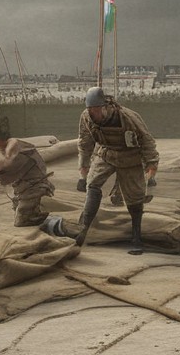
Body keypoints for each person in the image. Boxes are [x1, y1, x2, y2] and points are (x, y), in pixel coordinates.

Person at [74, 87, 158, 254]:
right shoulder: (86, 117)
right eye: (90, 110)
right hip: (106, 152)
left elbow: (147, 140)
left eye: (96, 110)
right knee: (92, 183)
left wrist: (151, 164)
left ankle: (136, 237)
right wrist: (83, 165)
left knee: (134, 196)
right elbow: (85, 142)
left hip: (130, 156)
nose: (93, 114)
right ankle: (83, 230)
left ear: (105, 107)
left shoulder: (127, 117)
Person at [0, 129, 55, 228]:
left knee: (21, 221)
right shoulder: (0, 149)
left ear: (3, 141)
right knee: (17, 207)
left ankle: (45, 217)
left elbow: (10, 167)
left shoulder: (19, 151)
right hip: (21, 187)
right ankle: (35, 211)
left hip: (35, 185)